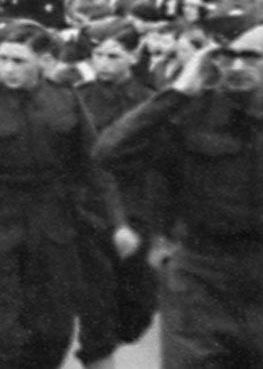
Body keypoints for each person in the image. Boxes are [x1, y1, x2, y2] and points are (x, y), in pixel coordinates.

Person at [97, 14, 263, 368]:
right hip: (200, 278)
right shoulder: (187, 114)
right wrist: (178, 91)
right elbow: (109, 153)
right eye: (227, 55)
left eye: (250, 56)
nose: (237, 66)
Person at [0, 20, 108, 368]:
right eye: (3, 59)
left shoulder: (66, 99)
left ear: (44, 61)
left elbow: (92, 165)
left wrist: (108, 220)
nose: (8, 69)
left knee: (52, 326)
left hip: (52, 227)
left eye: (19, 61)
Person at [74, 20, 157, 368]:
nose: (104, 63)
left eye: (114, 56)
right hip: (88, 210)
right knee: (95, 300)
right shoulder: (79, 97)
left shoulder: (151, 102)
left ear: (134, 56)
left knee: (137, 305)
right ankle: (98, 355)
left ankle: (111, 337)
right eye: (99, 55)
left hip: (136, 207)